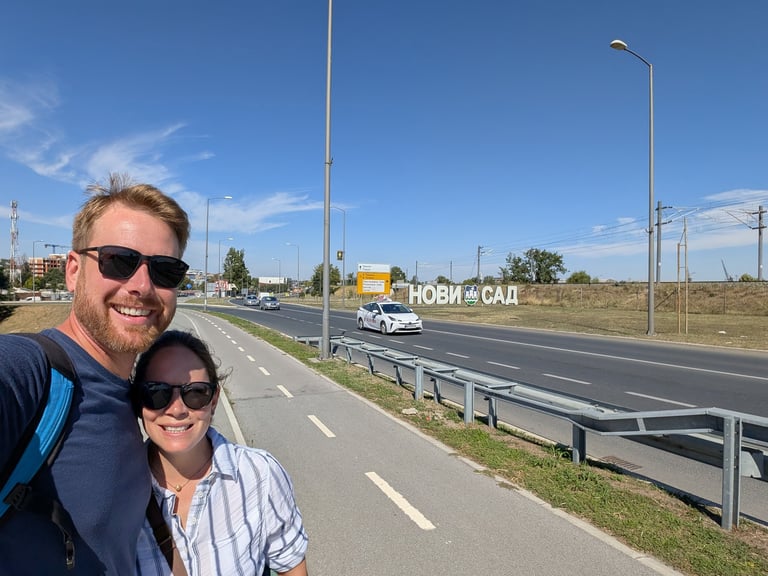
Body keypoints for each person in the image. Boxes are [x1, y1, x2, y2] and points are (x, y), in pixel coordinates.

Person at [0, 174, 190, 574]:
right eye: (118, 261)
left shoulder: (134, 397)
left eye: (165, 271)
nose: (142, 286)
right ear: (73, 271)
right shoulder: (31, 371)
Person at [132, 330, 308, 576]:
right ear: (138, 400)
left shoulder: (259, 475)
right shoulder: (115, 490)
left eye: (195, 392)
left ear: (214, 400)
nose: (176, 409)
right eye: (156, 392)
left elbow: (292, 567)